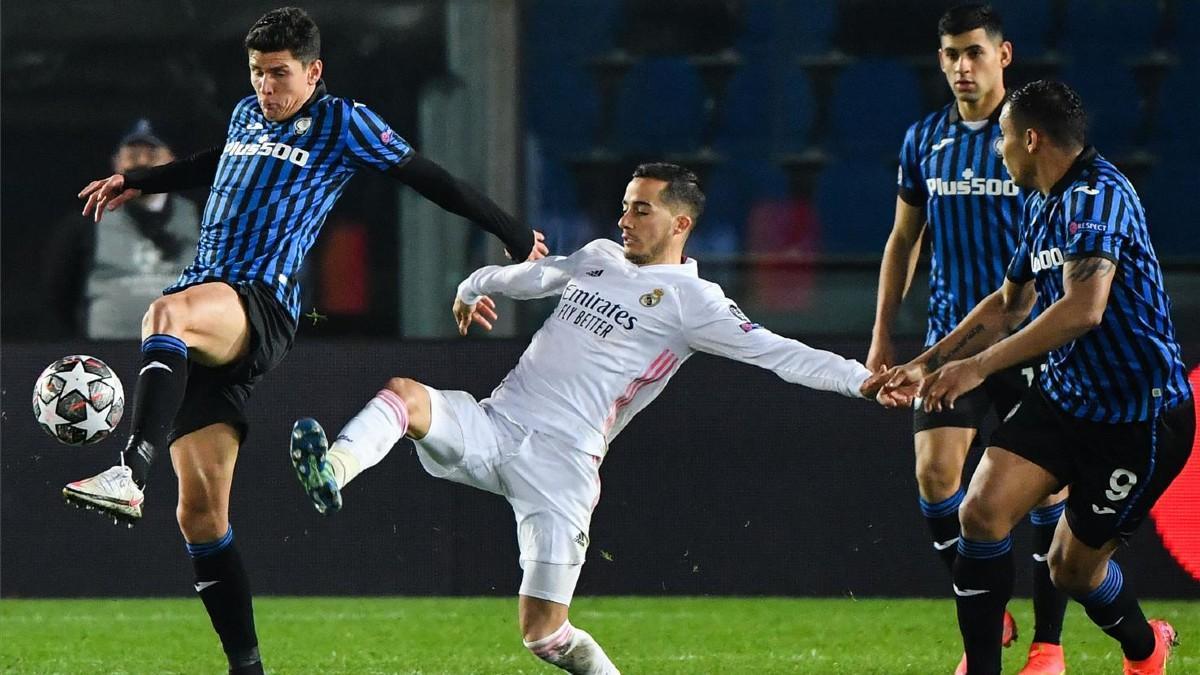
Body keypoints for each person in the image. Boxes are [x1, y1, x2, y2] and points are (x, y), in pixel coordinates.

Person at [59, 7, 546, 674]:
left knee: (163, 315)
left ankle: (128, 468)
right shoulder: (245, 114)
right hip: (213, 313)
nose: (267, 86)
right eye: (258, 73)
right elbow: (216, 161)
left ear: (314, 72)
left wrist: (513, 234)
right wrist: (137, 180)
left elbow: (430, 177)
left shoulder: (345, 122)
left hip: (259, 301)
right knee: (200, 515)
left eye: (280, 74)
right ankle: (249, 668)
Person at [287, 163, 909, 674]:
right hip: (496, 424)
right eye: (625, 205)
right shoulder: (599, 258)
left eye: (642, 209)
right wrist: (474, 285)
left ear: (680, 223)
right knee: (406, 396)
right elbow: (529, 278)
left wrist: (860, 380)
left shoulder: (697, 304)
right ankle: (333, 472)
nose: (625, 218)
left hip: (563, 469)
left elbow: (781, 354)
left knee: (543, 635)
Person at [886, 80, 1192, 675]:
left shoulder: (1102, 197)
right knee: (981, 511)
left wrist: (978, 366)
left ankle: (1145, 647)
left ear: (1031, 139)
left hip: (1140, 416)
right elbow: (1009, 304)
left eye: (1002, 139)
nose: (998, 152)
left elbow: (1085, 307)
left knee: (1071, 569)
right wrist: (931, 360)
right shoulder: (1042, 202)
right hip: (1067, 398)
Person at [866, 5, 1068, 672]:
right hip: (950, 343)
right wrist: (881, 335)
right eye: (950, 53)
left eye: (973, 53)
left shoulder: (1033, 136)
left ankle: (1047, 647)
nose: (960, 66)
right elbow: (904, 239)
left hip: (1029, 339)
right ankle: (983, 602)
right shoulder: (924, 138)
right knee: (933, 477)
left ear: (1003, 55)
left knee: (1047, 492)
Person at [43, 120, 201, 339]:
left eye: (153, 155)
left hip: (183, 352)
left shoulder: (203, 217)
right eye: (133, 156)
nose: (143, 162)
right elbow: (59, 292)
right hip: (108, 352)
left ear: (172, 161)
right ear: (116, 164)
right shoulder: (84, 223)